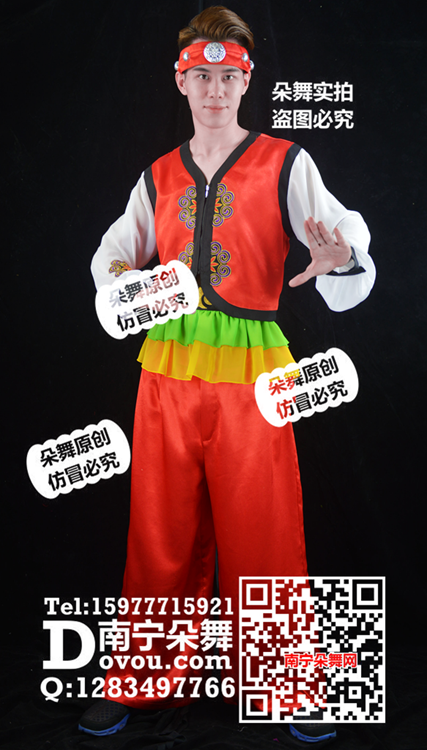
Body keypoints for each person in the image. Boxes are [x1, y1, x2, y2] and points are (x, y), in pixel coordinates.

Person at [80, 5, 375, 742]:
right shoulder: (157, 177)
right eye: (201, 76)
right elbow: (111, 256)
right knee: (160, 526)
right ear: (181, 82)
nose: (215, 90)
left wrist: (341, 255)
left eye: (228, 76)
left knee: (264, 526)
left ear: (245, 81)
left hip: (254, 372)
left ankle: (290, 684)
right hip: (168, 370)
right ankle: (141, 681)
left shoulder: (286, 162)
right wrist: (129, 284)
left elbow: (343, 229)